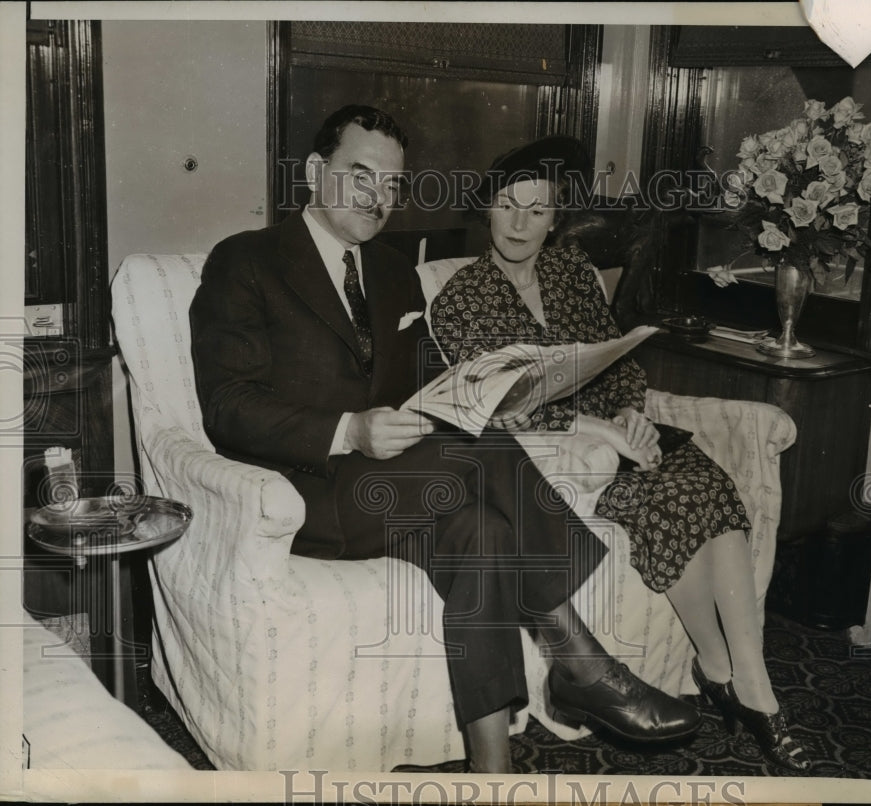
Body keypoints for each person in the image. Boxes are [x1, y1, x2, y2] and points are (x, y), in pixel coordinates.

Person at [188, 106, 701, 774]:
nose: (378, 197)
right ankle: (581, 663)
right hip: (300, 494)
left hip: (392, 485)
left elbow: (435, 380)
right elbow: (227, 407)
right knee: (475, 457)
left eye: (392, 184)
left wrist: (501, 390)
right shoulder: (246, 261)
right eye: (360, 175)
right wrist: (349, 430)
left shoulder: (396, 271)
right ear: (316, 173)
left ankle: (492, 775)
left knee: (483, 531)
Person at [430, 135, 813, 773]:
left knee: (707, 489)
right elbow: (494, 406)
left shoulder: (573, 274)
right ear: (487, 210)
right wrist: (603, 432)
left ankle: (736, 677)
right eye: (508, 205)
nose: (521, 222)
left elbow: (614, 359)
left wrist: (633, 414)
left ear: (556, 218)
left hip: (619, 433)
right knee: (668, 498)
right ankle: (752, 697)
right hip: (555, 454)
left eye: (537, 208)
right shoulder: (461, 299)